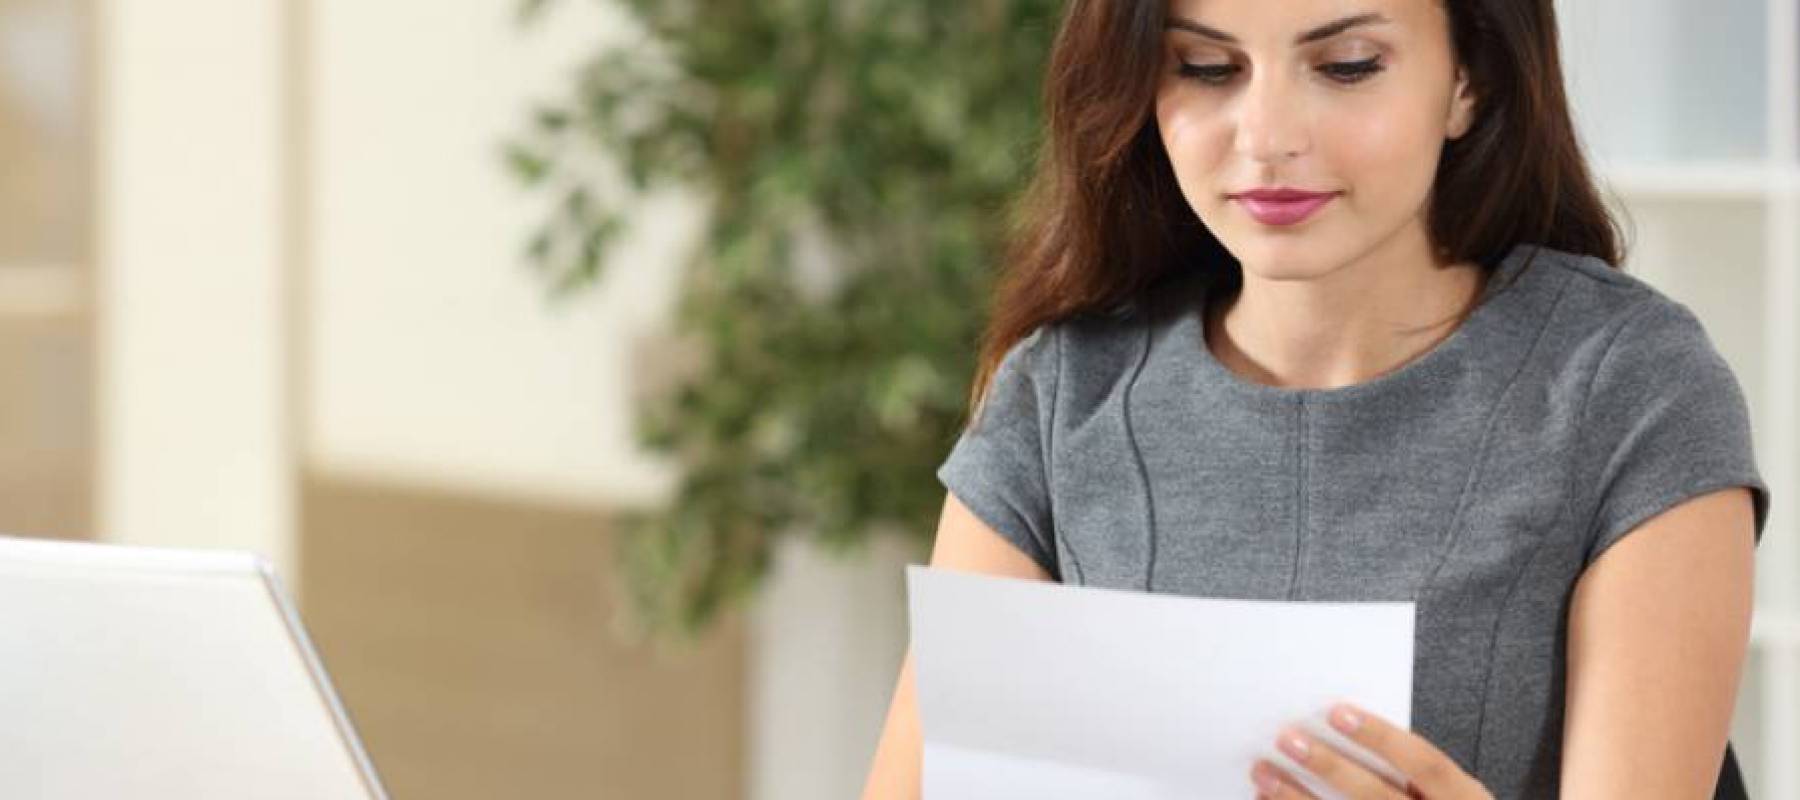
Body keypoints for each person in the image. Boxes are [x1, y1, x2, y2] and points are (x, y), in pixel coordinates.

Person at [861, 0, 1771, 798]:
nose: (1267, 137)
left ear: (1469, 82)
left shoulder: (1628, 385)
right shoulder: (1061, 394)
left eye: (1346, 66)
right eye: (1206, 67)